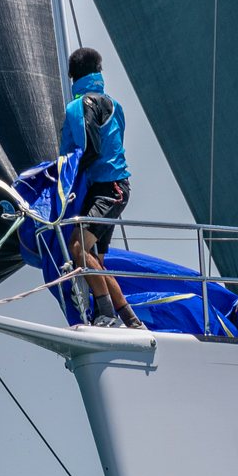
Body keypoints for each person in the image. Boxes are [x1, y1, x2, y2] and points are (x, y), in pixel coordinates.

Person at [57, 47, 143, 330]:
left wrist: (61, 180)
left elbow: (89, 150)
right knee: (94, 258)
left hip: (108, 190)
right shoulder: (115, 105)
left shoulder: (79, 106)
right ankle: (130, 320)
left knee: (78, 247)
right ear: (98, 72)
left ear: (72, 76)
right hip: (116, 188)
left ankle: (106, 314)